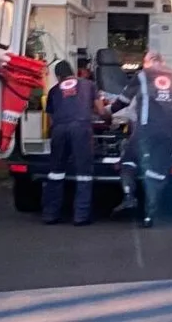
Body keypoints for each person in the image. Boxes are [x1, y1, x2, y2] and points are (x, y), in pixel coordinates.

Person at [108, 51, 172, 228]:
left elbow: (123, 101)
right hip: (169, 131)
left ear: (147, 62)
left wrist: (107, 112)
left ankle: (129, 197)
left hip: (146, 129)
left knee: (128, 161)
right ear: (162, 61)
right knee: (157, 172)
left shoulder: (142, 75)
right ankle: (149, 216)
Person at [42, 60, 110, 226]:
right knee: (84, 173)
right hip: (80, 129)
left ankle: (51, 215)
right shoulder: (88, 85)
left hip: (59, 130)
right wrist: (109, 119)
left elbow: (51, 119)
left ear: (58, 76)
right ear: (72, 71)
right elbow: (101, 111)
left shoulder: (53, 91)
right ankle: (81, 216)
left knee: (56, 173)